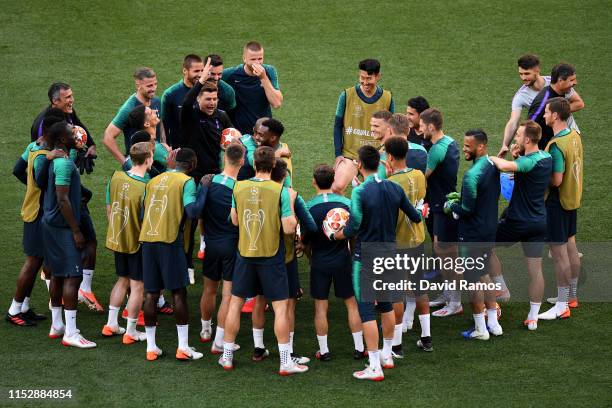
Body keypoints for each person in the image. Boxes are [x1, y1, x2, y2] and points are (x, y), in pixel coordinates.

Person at [335, 145, 422, 381]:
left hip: (366, 257)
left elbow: (353, 226)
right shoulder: (395, 187)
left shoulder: (360, 192)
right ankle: (387, 354)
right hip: (390, 255)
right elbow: (415, 216)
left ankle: (374, 366)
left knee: (366, 310)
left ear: (360, 166)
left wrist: (337, 234)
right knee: (386, 306)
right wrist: (422, 209)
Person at [219, 146, 308, 376]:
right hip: (271, 256)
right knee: (280, 309)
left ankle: (227, 357)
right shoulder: (280, 191)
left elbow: (235, 220)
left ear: (254, 163)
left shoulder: (239, 186)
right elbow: (289, 228)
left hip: (245, 255)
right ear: (275, 165)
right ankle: (285, 361)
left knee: (235, 305)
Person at [139, 148, 206, 361]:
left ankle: (151, 348)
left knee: (151, 294)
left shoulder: (153, 181)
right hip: (170, 242)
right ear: (192, 164)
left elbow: (142, 212)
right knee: (178, 293)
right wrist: (204, 188)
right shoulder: (186, 182)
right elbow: (193, 211)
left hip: (148, 241)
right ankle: (183, 347)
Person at [489, 120, 552, 330]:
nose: (515, 138)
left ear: (527, 139)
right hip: (539, 222)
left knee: (481, 244)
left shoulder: (529, 161)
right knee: (536, 271)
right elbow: (527, 171)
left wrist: (489, 157)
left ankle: (500, 289)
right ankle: (533, 317)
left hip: (517, 222)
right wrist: (519, 156)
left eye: (518, 136)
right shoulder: (546, 157)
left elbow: (506, 166)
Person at [6, 111, 64, 326]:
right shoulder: (43, 155)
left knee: (38, 261)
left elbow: (17, 170)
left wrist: (29, 186)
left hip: (33, 209)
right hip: (37, 213)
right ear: (51, 132)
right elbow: (41, 181)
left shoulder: (33, 146)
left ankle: (24, 306)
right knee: (33, 262)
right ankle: (14, 310)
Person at [444, 130, 502, 340]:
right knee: (484, 274)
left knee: (472, 281)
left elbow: (467, 209)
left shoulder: (471, 175)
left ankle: (480, 329)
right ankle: (494, 324)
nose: (464, 149)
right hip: (488, 231)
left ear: (481, 147)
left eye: (468, 146)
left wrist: (452, 204)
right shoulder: (492, 165)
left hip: (471, 235)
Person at [43, 121, 96, 348]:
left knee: (56, 274)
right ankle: (71, 333)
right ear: (63, 140)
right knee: (73, 277)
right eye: (70, 132)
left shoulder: (56, 159)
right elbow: (62, 198)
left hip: (50, 224)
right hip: (63, 228)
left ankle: (57, 325)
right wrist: (76, 230)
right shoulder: (63, 164)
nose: (76, 132)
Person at [305, 164, 364, 361]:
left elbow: (304, 240)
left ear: (314, 182)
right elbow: (354, 234)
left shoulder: (309, 207)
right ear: (333, 181)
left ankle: (324, 351)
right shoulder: (347, 204)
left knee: (321, 308)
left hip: (320, 261)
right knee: (351, 304)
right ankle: (359, 348)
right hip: (343, 260)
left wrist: (311, 259)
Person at [385, 136, 433, 353]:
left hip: (398, 242)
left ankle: (396, 344)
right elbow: (420, 204)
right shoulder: (419, 175)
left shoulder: (391, 183)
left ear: (390, 157)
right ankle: (426, 338)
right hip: (418, 238)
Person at [102, 142, 153, 343]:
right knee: (137, 285)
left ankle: (111, 323)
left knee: (122, 279)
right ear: (148, 159)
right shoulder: (145, 187)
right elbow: (146, 219)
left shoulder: (115, 178)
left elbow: (109, 208)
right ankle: (131, 331)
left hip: (117, 237)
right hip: (136, 242)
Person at [538, 97, 583, 320]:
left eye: (546, 111)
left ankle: (562, 304)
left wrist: (535, 176)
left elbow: (556, 180)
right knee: (571, 245)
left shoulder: (556, 145)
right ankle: (571, 296)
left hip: (556, 202)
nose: (544, 115)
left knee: (559, 254)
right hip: (572, 199)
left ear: (555, 115)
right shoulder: (575, 136)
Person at [198, 143, 245, 357]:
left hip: (211, 244)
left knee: (209, 290)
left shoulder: (208, 182)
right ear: (242, 161)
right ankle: (218, 341)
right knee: (227, 296)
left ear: (224, 158)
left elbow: (200, 214)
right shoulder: (240, 189)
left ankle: (205, 330)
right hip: (230, 246)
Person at [270, 159, 317, 365]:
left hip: (255, 256)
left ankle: (258, 348)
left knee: (258, 302)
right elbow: (311, 226)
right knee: (287, 306)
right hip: (285, 257)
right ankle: (287, 354)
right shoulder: (291, 195)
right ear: (284, 176)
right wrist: (302, 241)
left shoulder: (248, 189)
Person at [420, 108, 462, 317]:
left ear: (430, 126)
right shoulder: (451, 142)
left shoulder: (436, 150)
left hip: (442, 207)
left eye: (421, 125)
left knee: (448, 256)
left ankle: (455, 302)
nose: (419, 129)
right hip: (444, 204)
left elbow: (421, 177)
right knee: (442, 251)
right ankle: (448, 294)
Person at [499, 55, 583, 157]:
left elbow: (579, 103)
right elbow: (514, 122)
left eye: (527, 73)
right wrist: (505, 145)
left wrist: (556, 113)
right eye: (520, 74)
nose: (523, 78)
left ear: (537, 70)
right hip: (551, 140)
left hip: (570, 132)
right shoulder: (521, 96)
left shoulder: (555, 82)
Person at [333, 59, 394, 163]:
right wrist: (338, 154)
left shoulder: (388, 98)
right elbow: (337, 125)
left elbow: (391, 129)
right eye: (362, 78)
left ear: (378, 76)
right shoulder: (346, 95)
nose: (365, 82)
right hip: (350, 156)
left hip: (377, 157)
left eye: (369, 78)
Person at [181, 62, 233, 181]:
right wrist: (201, 82)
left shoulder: (222, 116)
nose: (212, 103)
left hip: (215, 172)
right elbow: (186, 103)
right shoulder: (190, 115)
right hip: (192, 173)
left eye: (215, 99)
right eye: (208, 99)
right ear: (198, 98)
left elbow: (232, 133)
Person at [103, 67, 165, 164]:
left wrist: (164, 145)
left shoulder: (157, 101)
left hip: (156, 160)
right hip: (138, 164)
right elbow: (108, 137)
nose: (153, 89)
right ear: (138, 85)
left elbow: (160, 126)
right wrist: (125, 163)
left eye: (155, 84)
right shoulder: (128, 108)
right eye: (149, 86)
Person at [223, 41, 283, 134]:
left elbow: (277, 103)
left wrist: (263, 78)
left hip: (264, 132)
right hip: (240, 134)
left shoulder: (269, 71)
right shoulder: (231, 74)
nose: (257, 63)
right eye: (253, 59)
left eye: (260, 58)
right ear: (244, 58)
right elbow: (213, 79)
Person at [31, 82, 97, 159]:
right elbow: (46, 155)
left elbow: (78, 123)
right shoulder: (48, 123)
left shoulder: (66, 110)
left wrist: (91, 144)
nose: (72, 100)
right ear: (55, 101)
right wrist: (78, 151)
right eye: (68, 97)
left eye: (71, 96)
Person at [528, 63, 584, 149]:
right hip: (543, 151)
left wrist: (560, 111)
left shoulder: (562, 92)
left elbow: (580, 104)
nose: (575, 83)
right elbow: (529, 126)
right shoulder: (543, 102)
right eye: (571, 80)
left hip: (555, 145)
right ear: (560, 81)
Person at [160, 54, 205, 148]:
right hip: (180, 150)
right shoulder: (170, 94)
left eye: (202, 70)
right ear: (185, 70)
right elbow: (164, 125)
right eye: (196, 71)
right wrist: (167, 148)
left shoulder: (206, 91)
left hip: (202, 148)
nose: (200, 75)